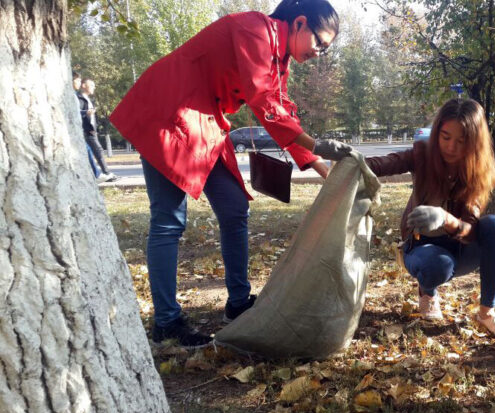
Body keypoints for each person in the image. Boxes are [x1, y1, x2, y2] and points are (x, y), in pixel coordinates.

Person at [110, 0, 352, 348]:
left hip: (207, 123)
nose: (319, 53)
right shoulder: (254, 28)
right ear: (300, 23)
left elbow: (281, 108)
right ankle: (166, 322)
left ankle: (238, 303)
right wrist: (317, 146)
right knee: (168, 220)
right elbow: (262, 98)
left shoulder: (280, 59)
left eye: (324, 49)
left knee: (235, 207)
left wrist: (322, 167)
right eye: (320, 43)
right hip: (168, 110)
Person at [365, 99, 495, 342]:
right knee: (437, 266)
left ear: (474, 142)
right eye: (445, 137)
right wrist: (349, 159)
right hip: (422, 246)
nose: (451, 147)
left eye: (461, 141)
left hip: (460, 247)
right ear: (437, 133)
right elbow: (384, 164)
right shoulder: (423, 154)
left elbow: (470, 229)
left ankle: (487, 313)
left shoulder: (478, 170)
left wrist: (445, 219)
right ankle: (428, 292)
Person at [78, 79, 118, 182]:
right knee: (97, 150)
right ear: (83, 85)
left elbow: (92, 117)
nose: (94, 87)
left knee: (93, 151)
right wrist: (86, 113)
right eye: (91, 85)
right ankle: (106, 173)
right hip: (86, 131)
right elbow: (77, 113)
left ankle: (102, 173)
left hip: (91, 130)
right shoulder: (79, 98)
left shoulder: (89, 99)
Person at [72, 72, 104, 180]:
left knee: (89, 150)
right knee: (91, 150)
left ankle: (97, 174)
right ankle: (98, 174)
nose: (79, 83)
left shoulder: (76, 96)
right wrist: (85, 113)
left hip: (84, 129)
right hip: (79, 130)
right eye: (77, 80)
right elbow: (74, 112)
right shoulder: (74, 96)